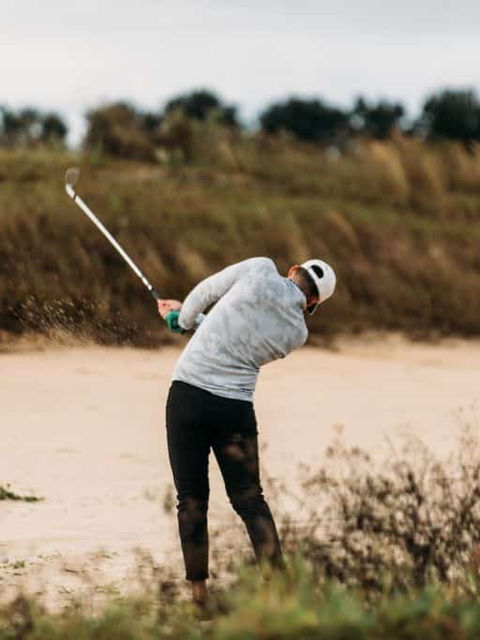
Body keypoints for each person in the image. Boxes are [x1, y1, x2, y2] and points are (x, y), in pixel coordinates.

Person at [157, 257, 336, 607]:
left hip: (188, 396)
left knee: (191, 498)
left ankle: (199, 596)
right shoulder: (297, 334)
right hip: (234, 410)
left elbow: (208, 291)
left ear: (292, 268)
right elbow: (239, 339)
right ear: (313, 302)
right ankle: (279, 590)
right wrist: (189, 320)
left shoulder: (259, 268)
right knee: (250, 499)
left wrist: (182, 318)